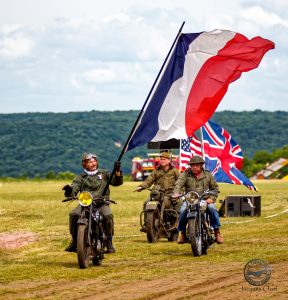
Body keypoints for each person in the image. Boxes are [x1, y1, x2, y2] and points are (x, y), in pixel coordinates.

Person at [62, 153, 123, 253]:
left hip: (101, 202)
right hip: (85, 203)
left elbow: (116, 182)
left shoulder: (104, 173)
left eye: (94, 161)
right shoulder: (81, 177)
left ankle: (109, 242)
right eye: (90, 162)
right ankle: (75, 241)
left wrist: (117, 171)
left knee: (108, 216)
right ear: (84, 164)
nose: (93, 163)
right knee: (73, 214)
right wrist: (69, 190)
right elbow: (74, 189)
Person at [172, 155, 224, 244]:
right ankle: (183, 234)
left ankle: (217, 232)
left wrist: (211, 199)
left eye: (196, 165)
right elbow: (178, 184)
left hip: (205, 199)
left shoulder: (208, 174)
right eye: (192, 165)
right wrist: (176, 193)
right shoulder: (186, 174)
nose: (194, 167)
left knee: (212, 209)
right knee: (183, 210)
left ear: (201, 165)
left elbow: (215, 188)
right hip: (190, 200)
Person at [134, 151, 180, 231]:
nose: (162, 161)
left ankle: (175, 224)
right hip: (157, 194)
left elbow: (180, 183)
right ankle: (147, 224)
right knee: (146, 202)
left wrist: (178, 193)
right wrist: (141, 187)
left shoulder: (175, 171)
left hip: (169, 195)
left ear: (169, 160)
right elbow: (149, 180)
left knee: (172, 203)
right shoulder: (156, 171)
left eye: (164, 159)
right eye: (161, 159)